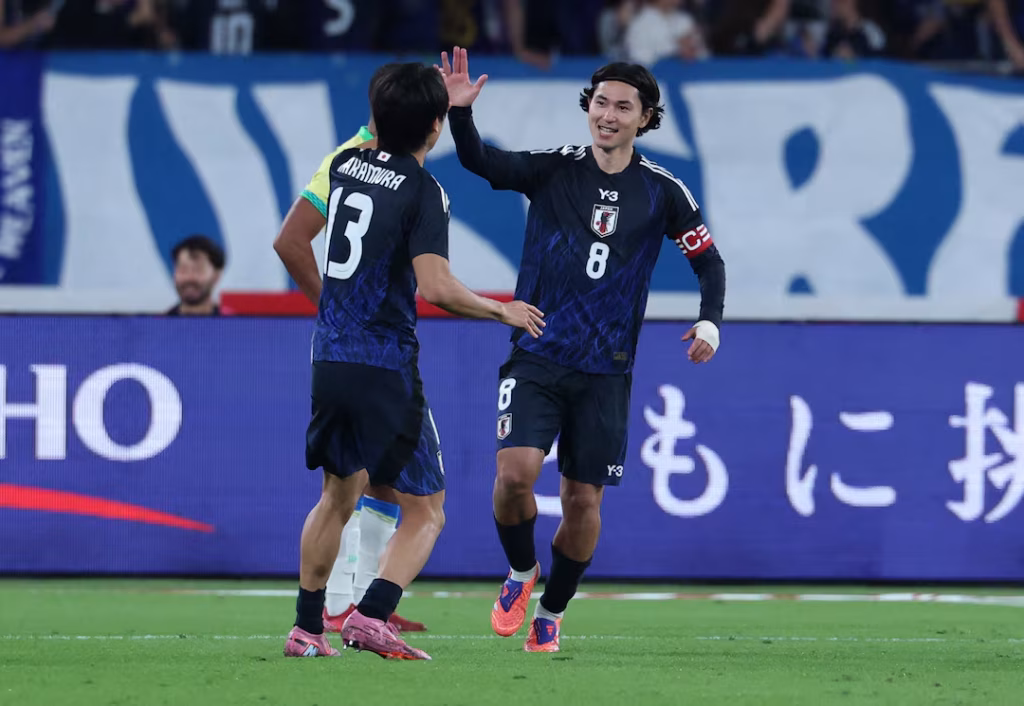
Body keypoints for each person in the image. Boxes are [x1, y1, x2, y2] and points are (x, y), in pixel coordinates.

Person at [440, 47, 725, 652]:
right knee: (514, 475)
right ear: (587, 108)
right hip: (538, 351)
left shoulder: (664, 192)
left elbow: (709, 263)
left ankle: (553, 610)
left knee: (580, 500)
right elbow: (481, 161)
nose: (609, 115)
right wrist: (461, 114)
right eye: (601, 102)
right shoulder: (553, 169)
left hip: (606, 370)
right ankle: (520, 573)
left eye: (624, 106)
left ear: (646, 118)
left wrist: (709, 325)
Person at [274, 61, 545, 660]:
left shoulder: (345, 166)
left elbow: (300, 232)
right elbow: (438, 288)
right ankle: (371, 617)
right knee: (426, 511)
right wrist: (503, 310)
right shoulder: (425, 192)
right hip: (385, 363)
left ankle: (305, 627)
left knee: (336, 496)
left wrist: (426, 107)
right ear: (435, 126)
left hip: (331, 357)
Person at [279, 114, 427, 635]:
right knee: (361, 486)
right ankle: (344, 601)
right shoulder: (349, 162)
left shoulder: (363, 161)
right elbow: (291, 240)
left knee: (377, 481)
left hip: (360, 348)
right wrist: (338, 311)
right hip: (373, 349)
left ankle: (361, 596)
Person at [166, 235, 225, 316]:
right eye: (183, 270)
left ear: (216, 276)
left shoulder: (234, 324)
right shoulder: (158, 325)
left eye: (198, 270)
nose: (189, 277)